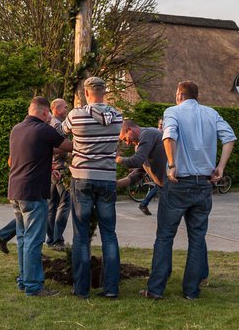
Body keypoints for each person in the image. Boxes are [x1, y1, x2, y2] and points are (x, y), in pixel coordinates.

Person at [143, 81, 236, 301]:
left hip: (179, 183)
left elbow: (168, 136)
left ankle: (156, 288)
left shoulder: (172, 112)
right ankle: (192, 291)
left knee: (165, 236)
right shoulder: (211, 113)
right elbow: (230, 137)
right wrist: (220, 167)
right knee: (197, 238)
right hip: (203, 183)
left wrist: (172, 164)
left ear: (179, 95)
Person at [62, 76, 122, 300]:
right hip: (107, 178)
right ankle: (111, 288)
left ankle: (81, 288)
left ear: (86, 93)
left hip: (82, 177)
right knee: (109, 234)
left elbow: (61, 131)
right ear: (104, 92)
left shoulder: (76, 115)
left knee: (81, 235)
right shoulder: (118, 116)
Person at [8, 96, 70, 296]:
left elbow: (28, 155)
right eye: (49, 114)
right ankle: (34, 286)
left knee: (23, 239)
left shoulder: (17, 129)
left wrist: (48, 166)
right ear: (45, 112)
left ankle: (23, 280)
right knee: (34, 241)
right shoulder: (44, 129)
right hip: (33, 193)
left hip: (15, 191)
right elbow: (68, 146)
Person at [116, 119, 166, 217]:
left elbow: (136, 161)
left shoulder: (147, 134)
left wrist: (118, 159)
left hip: (174, 186)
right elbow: (139, 173)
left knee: (166, 227)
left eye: (125, 139)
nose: (127, 143)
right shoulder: (140, 145)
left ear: (130, 129)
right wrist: (117, 184)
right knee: (166, 226)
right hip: (164, 187)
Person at [46, 97, 71, 250]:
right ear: (56, 109)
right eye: (64, 107)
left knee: (52, 205)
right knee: (65, 202)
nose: (67, 110)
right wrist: (70, 151)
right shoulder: (57, 126)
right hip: (58, 169)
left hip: (51, 168)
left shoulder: (49, 124)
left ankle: (51, 239)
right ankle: (57, 239)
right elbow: (54, 147)